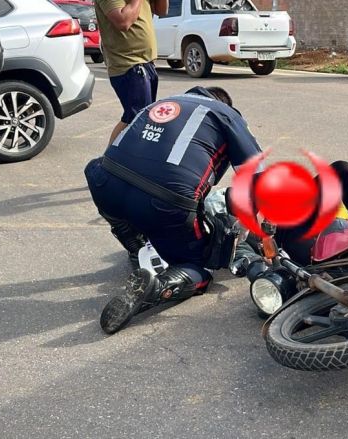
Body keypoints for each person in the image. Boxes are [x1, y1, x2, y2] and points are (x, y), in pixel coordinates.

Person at [85, 86, 263, 334]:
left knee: (102, 172)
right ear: (226, 104)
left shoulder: (158, 104)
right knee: (197, 265)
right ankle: (158, 287)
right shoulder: (226, 115)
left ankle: (134, 243)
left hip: (106, 186)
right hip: (163, 204)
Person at [94, 0, 167, 145]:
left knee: (142, 119)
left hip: (146, 63)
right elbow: (123, 22)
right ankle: (110, 161)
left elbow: (161, 10)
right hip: (128, 65)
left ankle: (119, 161)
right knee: (136, 118)